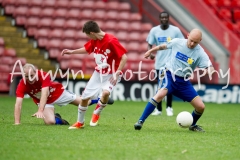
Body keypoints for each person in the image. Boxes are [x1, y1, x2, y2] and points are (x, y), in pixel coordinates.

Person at [134, 29, 214, 132]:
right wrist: (151, 50)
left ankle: (192, 125)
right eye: (191, 40)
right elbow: (164, 46)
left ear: (200, 40)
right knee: (160, 94)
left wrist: (209, 71)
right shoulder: (177, 42)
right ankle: (140, 121)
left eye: (196, 42)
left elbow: (210, 67)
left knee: (201, 107)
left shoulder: (200, 53)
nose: (192, 43)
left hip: (184, 82)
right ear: (188, 35)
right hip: (169, 75)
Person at [61, 20, 127, 129]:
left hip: (112, 74)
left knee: (105, 93)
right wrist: (72, 52)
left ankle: (97, 112)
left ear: (91, 33)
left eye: (87, 35)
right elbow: (87, 49)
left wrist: (117, 73)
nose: (88, 37)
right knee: (84, 99)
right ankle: (80, 123)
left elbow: (124, 57)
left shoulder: (111, 41)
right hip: (98, 74)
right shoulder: (94, 40)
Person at [14, 63, 114, 125]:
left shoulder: (43, 75)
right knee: (50, 122)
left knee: (85, 103)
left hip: (58, 93)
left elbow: (45, 93)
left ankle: (100, 98)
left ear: (36, 72)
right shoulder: (22, 84)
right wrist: (17, 122)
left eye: (31, 75)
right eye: (26, 76)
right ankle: (59, 120)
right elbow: (18, 103)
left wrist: (40, 110)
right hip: (45, 102)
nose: (29, 79)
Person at [146, 11, 184, 116]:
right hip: (159, 63)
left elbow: (182, 43)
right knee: (160, 86)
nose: (164, 19)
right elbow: (149, 43)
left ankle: (169, 107)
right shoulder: (154, 30)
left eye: (166, 17)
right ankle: (158, 109)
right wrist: (150, 53)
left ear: (168, 18)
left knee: (169, 85)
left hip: (172, 64)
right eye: (162, 18)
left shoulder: (175, 31)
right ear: (159, 19)